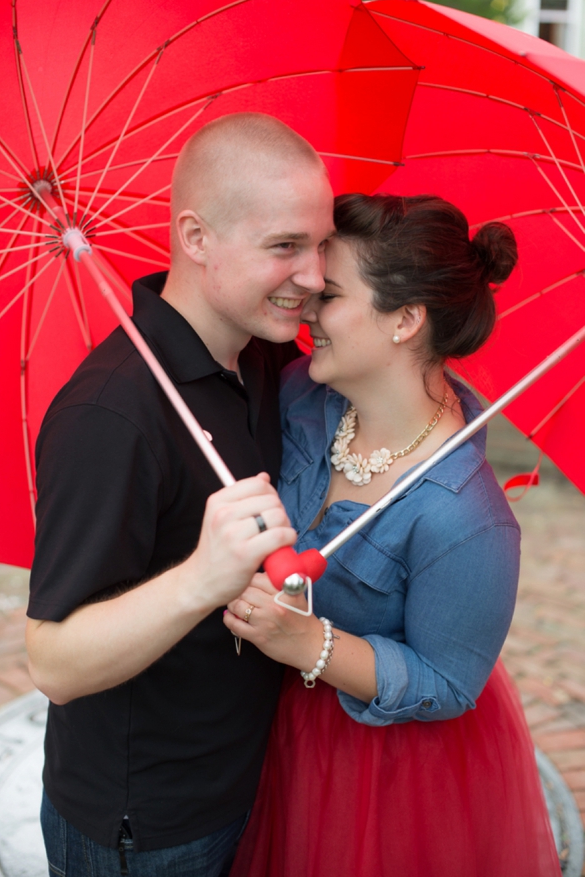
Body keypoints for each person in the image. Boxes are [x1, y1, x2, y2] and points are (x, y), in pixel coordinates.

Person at [25, 112, 335, 876]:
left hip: (245, 775)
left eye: (321, 244)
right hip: (149, 825)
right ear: (196, 240)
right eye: (285, 246)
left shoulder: (261, 358)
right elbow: (55, 662)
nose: (317, 276)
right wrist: (203, 575)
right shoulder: (111, 414)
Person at [225, 193, 561, 877]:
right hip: (276, 728)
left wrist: (309, 642)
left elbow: (446, 681)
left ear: (406, 320)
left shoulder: (466, 516)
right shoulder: (300, 398)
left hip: (394, 769)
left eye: (332, 293)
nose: (307, 308)